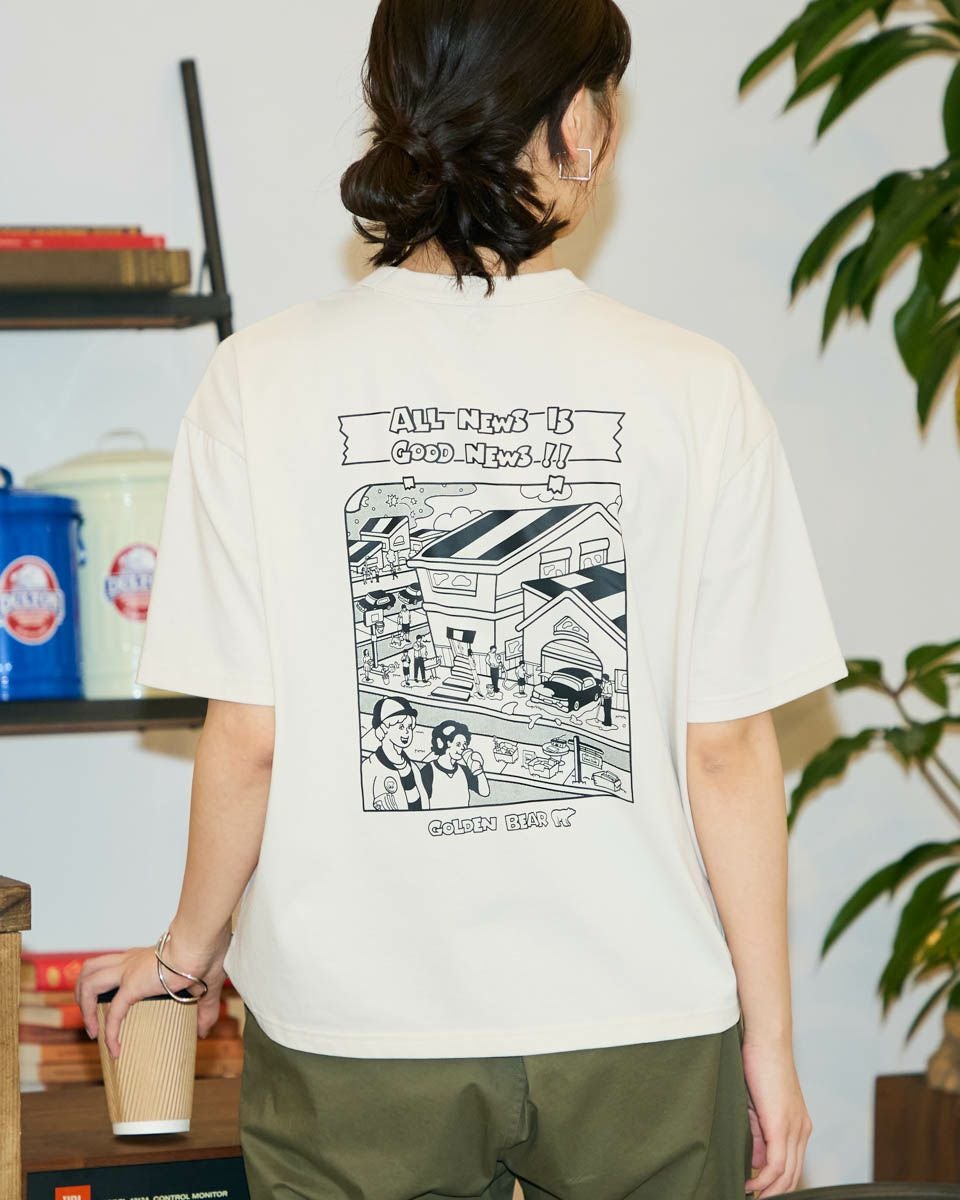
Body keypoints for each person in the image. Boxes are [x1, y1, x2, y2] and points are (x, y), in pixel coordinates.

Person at [74, 2, 847, 1197]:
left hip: (357, 1031)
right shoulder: (697, 389)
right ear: (579, 124)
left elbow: (250, 741)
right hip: (639, 1020)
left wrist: (184, 957)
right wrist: (772, 1044)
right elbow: (729, 752)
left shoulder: (259, 381)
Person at [420, 719, 491, 807]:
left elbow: (484, 792)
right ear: (445, 743)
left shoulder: (464, 770)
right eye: (458, 744)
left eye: (465, 744)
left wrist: (478, 770)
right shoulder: (429, 771)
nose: (463, 748)